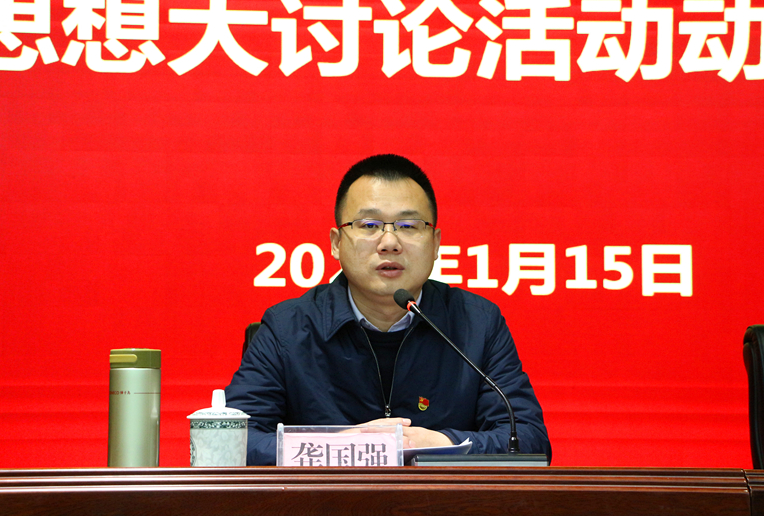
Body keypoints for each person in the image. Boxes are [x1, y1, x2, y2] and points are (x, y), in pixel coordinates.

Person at [226, 154, 551, 465]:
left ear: (436, 243)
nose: (389, 242)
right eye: (369, 225)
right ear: (336, 243)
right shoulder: (287, 328)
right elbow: (233, 441)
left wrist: (442, 444)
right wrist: (342, 448)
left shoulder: (477, 324)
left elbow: (529, 440)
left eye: (409, 226)